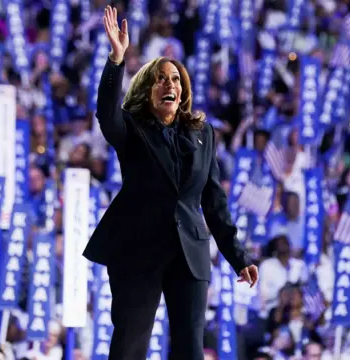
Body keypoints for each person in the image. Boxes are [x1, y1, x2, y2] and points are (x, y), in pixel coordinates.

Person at [82, 6, 259, 360]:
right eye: (161, 78)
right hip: (138, 248)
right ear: (147, 90)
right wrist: (117, 60)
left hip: (190, 251)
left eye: (176, 79)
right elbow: (106, 114)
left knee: (190, 348)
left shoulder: (203, 134)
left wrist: (238, 257)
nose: (170, 84)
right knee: (131, 343)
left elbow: (213, 201)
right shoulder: (131, 128)